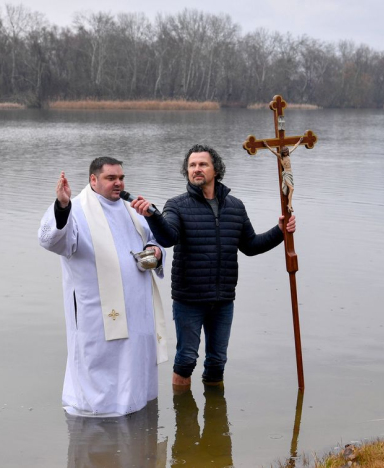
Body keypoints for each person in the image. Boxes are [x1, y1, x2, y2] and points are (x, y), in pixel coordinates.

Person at [131, 144, 295, 387]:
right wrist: (153, 215)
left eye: (202, 164)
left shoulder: (235, 206)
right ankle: (184, 418)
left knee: (218, 361)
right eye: (192, 165)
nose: (197, 169)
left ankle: (215, 418)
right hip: (189, 299)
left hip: (223, 298)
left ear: (216, 169)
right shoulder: (177, 205)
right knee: (186, 360)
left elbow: (250, 245)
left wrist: (280, 231)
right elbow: (168, 238)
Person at [38, 156, 168, 417]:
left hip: (138, 309)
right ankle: (97, 424)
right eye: (111, 178)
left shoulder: (133, 210)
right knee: (100, 372)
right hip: (97, 313)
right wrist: (61, 205)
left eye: (121, 178)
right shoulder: (76, 210)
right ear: (93, 180)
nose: (118, 183)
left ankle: (136, 409)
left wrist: (155, 252)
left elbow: (154, 240)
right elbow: (53, 241)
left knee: (135, 368)